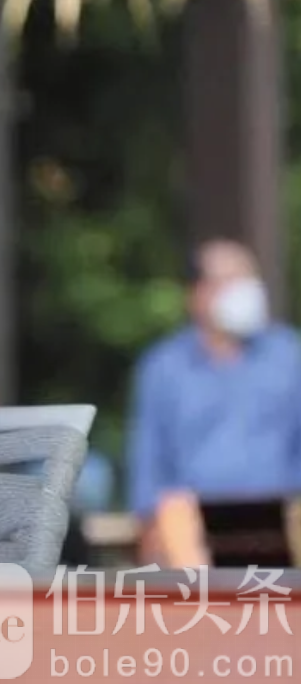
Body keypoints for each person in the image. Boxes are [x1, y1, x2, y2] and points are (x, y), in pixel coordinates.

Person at [127, 239, 301, 558]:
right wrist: (149, 527)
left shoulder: (290, 356)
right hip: (192, 530)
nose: (245, 291)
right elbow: (149, 460)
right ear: (197, 294)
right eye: (229, 280)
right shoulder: (164, 367)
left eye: (248, 279)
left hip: (284, 521)